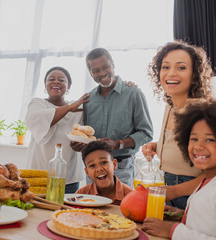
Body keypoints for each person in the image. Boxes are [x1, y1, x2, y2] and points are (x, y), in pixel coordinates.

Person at [142, 98, 216, 239]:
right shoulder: (210, 181)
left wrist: (173, 230)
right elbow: (209, 221)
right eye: (193, 139)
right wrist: (182, 214)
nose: (198, 146)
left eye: (209, 139)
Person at [141, 41, 213, 209]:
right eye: (165, 67)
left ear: (195, 74)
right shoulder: (170, 107)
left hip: (193, 196)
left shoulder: (202, 112)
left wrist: (173, 191)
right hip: (169, 188)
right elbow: (187, 149)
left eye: (181, 68)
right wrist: (158, 146)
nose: (171, 73)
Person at [71, 48, 153, 188]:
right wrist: (78, 144)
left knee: (120, 209)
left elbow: (146, 133)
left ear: (113, 64)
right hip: (93, 169)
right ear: (91, 74)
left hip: (122, 168)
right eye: (96, 70)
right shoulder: (88, 100)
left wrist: (118, 143)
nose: (102, 73)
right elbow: (87, 135)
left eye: (105, 67)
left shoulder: (133, 94)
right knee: (93, 207)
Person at [25, 66, 89, 193]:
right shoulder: (37, 103)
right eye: (51, 79)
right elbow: (39, 119)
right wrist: (69, 108)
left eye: (61, 80)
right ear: (45, 85)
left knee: (64, 212)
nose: (56, 82)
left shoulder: (78, 108)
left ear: (68, 86)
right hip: (39, 174)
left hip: (68, 178)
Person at [76, 141, 133, 205]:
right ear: (87, 172)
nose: (99, 169)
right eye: (92, 165)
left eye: (103, 162)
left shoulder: (130, 196)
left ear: (114, 164)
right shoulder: (81, 195)